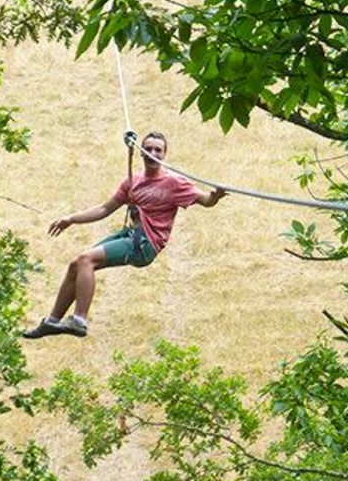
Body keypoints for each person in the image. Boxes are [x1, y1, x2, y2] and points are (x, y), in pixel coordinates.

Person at [22, 132, 227, 338]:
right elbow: (105, 208)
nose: (153, 153)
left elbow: (206, 200)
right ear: (141, 152)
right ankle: (52, 321)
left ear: (164, 154)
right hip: (131, 235)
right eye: (148, 149)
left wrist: (215, 196)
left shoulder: (174, 183)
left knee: (86, 259)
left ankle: (79, 321)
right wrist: (71, 219)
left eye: (158, 150)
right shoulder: (132, 181)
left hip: (146, 244)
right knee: (76, 265)